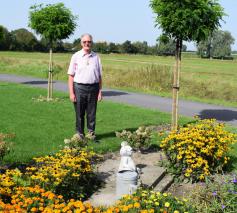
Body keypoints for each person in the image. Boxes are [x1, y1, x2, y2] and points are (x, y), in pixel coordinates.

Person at [67, 33, 102, 140]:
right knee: (79, 112)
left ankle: (91, 133)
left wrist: (100, 91)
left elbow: (99, 76)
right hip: (79, 87)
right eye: (85, 42)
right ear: (81, 43)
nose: (87, 43)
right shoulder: (76, 56)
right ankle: (80, 134)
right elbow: (71, 75)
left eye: (89, 42)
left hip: (93, 88)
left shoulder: (96, 57)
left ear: (92, 43)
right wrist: (71, 93)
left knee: (92, 113)